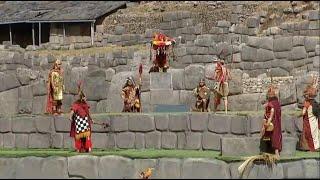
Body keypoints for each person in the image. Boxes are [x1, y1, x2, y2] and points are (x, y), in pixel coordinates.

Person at [69, 81, 93, 153]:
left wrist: (91, 119)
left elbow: (88, 113)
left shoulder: (85, 105)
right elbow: (72, 111)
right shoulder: (76, 105)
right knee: (78, 137)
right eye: (85, 97)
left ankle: (88, 148)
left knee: (87, 136)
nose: (86, 99)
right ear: (82, 98)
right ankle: (78, 148)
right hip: (79, 123)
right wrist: (70, 117)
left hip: (85, 123)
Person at [260, 84, 282, 160]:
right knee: (276, 136)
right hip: (277, 124)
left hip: (271, 124)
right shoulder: (278, 103)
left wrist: (266, 124)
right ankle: (274, 153)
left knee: (269, 136)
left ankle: (270, 152)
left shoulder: (271, 104)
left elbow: (271, 113)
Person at [299, 75, 319, 151]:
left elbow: (303, 112)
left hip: (308, 121)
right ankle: (316, 146)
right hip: (315, 120)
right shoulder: (315, 102)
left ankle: (308, 147)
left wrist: (298, 115)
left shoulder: (307, 103)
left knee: (307, 133)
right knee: (315, 133)